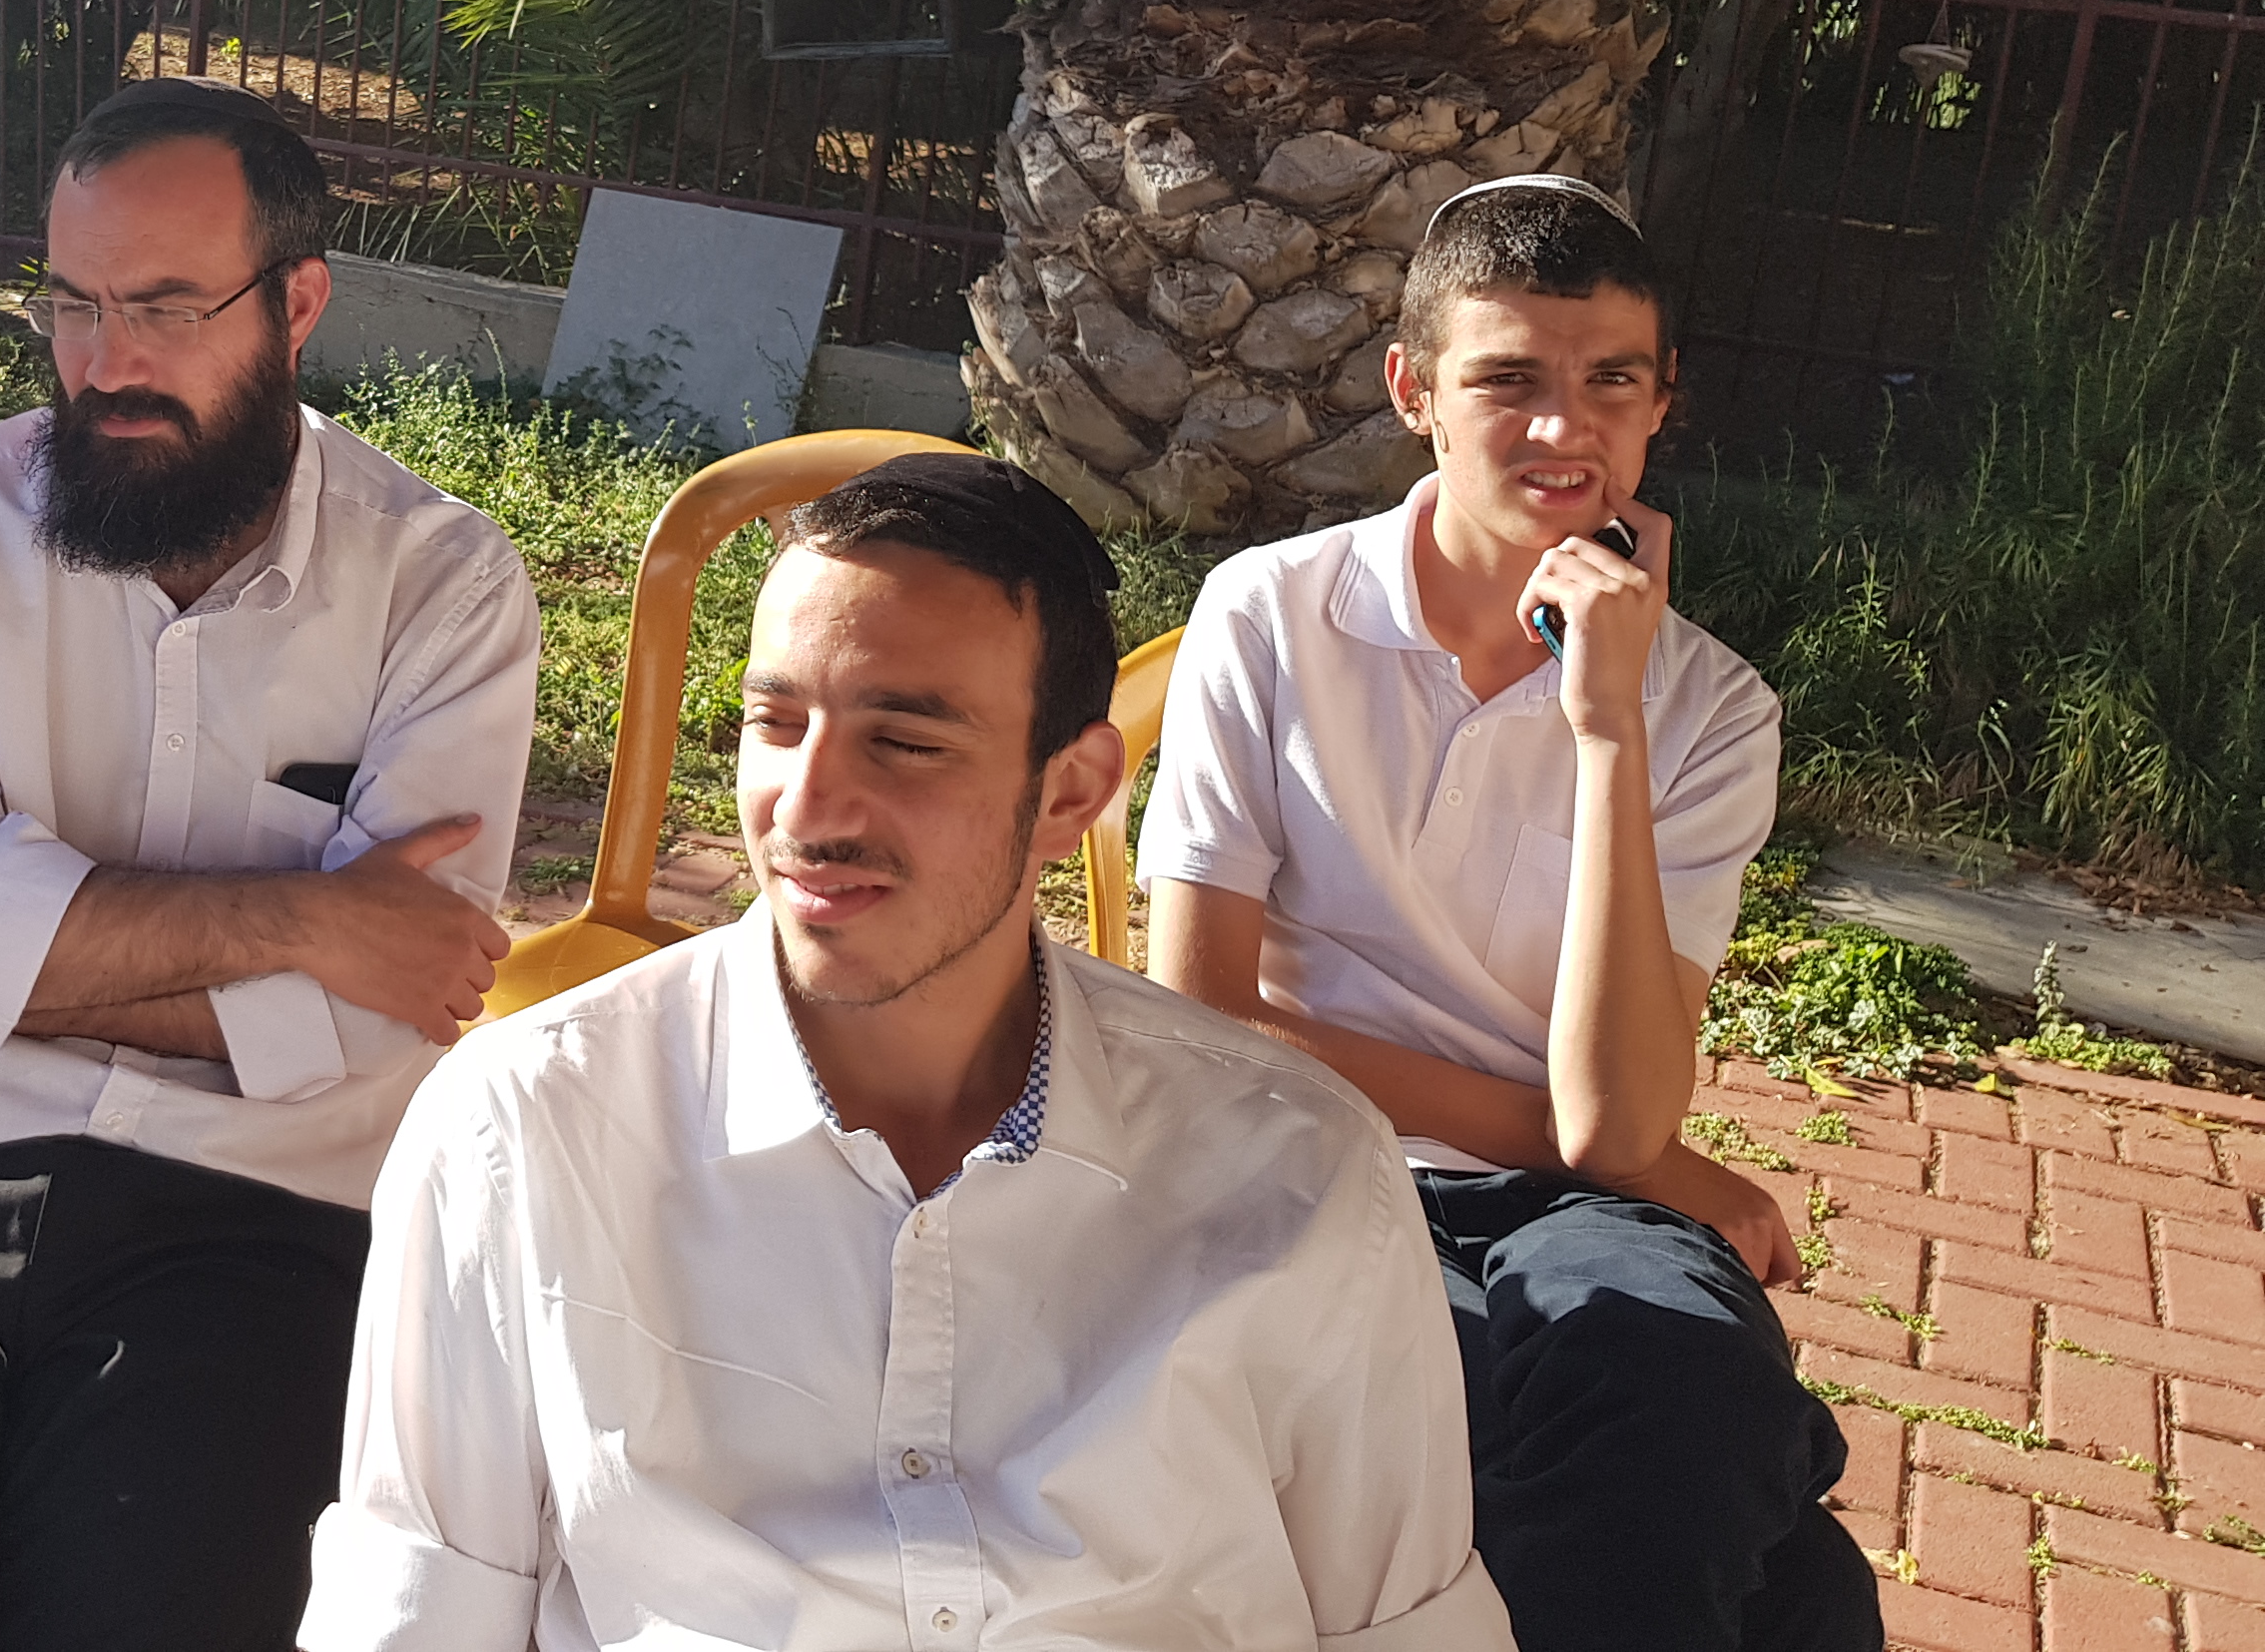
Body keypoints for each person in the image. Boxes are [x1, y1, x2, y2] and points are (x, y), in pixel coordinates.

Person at [301, 453, 1512, 1652]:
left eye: (906, 742)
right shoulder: (524, 1130)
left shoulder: (1296, 1172)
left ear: (1071, 793)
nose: (806, 807)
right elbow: (414, 1623)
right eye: (776, 723)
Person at [0, 77, 541, 1652]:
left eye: (165, 306)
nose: (107, 363)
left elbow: (381, 1013)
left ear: (298, 304)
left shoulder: (440, 586)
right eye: (74, 305)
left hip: (253, 1220)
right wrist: (304, 922)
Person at [1141, 174, 1873, 1651]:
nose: (1562, 430)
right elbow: (1199, 1028)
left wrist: (1608, 726)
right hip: (1300, 1160)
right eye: (1508, 382)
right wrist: (1640, 1160)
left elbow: (1616, 1125)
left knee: (1686, 1392)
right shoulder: (1272, 613)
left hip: (1581, 1211)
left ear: (1662, 401)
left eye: (1611, 382)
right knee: (1800, 1586)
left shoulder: (1712, 711)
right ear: (1413, 390)